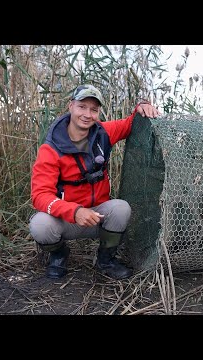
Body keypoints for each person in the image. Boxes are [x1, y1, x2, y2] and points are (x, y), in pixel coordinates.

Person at [29, 84, 160, 280]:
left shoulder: (103, 133)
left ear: (98, 113)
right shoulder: (50, 149)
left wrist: (142, 106)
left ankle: (106, 260)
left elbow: (130, 123)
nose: (87, 114)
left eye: (94, 109)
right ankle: (58, 255)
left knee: (121, 207)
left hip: (97, 215)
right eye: (82, 107)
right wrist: (74, 211)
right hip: (67, 219)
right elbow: (39, 196)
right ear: (71, 106)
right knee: (39, 224)